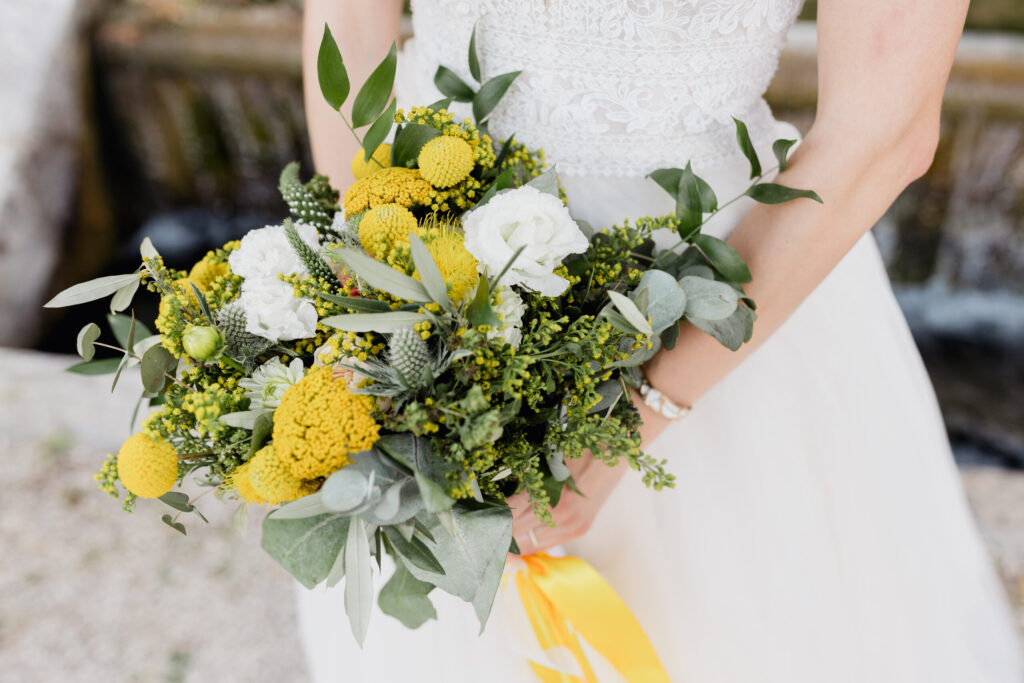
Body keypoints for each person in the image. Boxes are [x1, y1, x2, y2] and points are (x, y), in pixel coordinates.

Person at [297, 1, 1024, 681]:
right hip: (419, 244)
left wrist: (631, 413)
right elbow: (349, 21)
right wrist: (364, 287)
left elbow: (885, 128)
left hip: (710, 292)